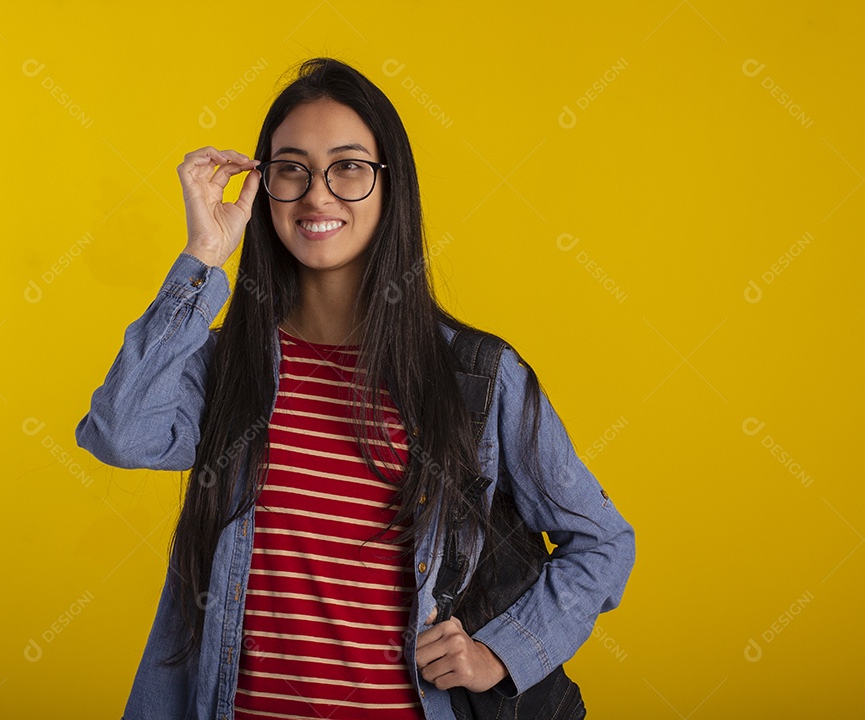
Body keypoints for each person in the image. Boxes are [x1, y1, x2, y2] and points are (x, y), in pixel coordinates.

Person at [75, 56, 635, 720]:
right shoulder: (228, 367)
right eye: (292, 169)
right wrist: (202, 256)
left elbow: (602, 541)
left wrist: (506, 651)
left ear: (389, 187)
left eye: (348, 167)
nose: (318, 195)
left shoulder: (475, 378)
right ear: (262, 186)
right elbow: (120, 433)